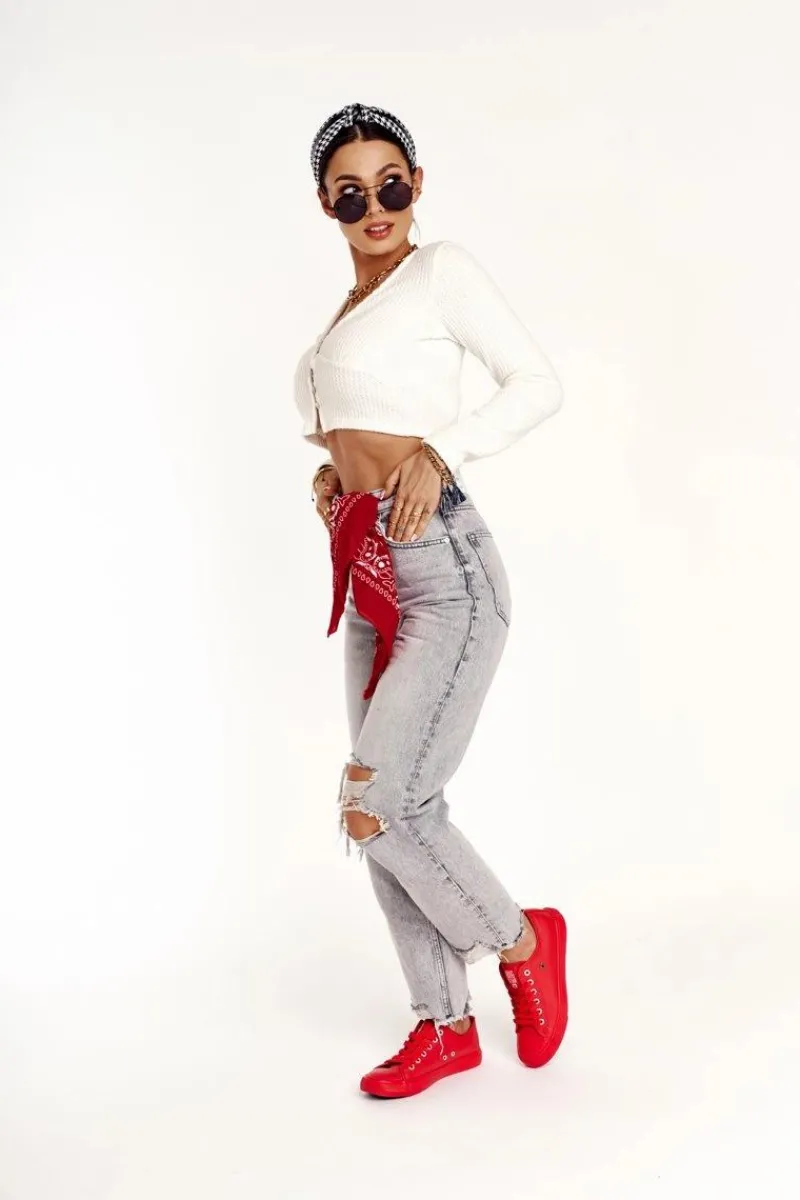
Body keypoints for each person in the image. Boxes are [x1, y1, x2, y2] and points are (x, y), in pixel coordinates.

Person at [293, 102, 568, 1099]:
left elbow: (536, 382)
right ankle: (443, 1025)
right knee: (390, 811)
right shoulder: (347, 311)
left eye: (392, 185)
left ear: (417, 184)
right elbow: (356, 424)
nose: (375, 208)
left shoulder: (439, 270)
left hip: (444, 572)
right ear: (325, 204)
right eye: (351, 194)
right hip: (370, 569)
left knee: (376, 803)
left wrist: (441, 451)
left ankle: (523, 941)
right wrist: (335, 478)